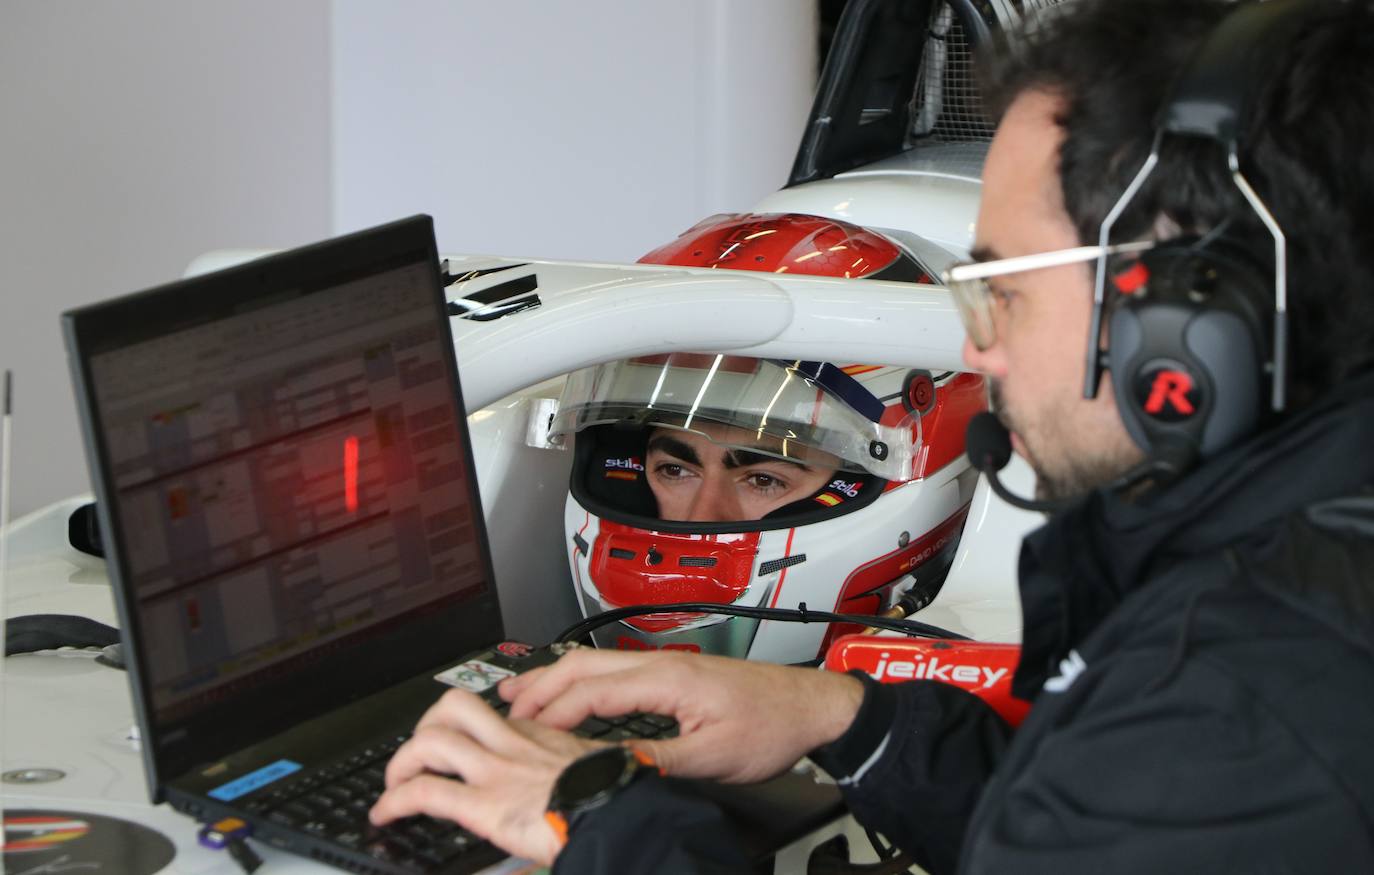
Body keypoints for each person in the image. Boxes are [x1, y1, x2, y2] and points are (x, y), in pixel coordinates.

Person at [370, 0, 1374, 871]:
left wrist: (604, 820)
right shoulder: (1289, 572)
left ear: (1197, 322)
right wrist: (850, 720)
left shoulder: (1242, 710)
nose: (984, 353)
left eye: (1005, 290)